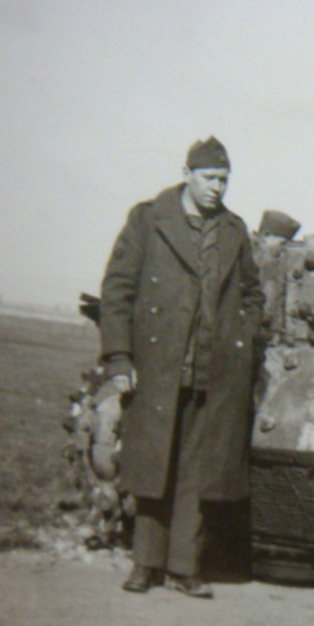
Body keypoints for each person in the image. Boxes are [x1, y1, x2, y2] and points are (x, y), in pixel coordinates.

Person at [98, 136, 265, 599]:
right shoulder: (149, 219)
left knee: (199, 471)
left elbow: (253, 294)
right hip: (159, 366)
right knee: (155, 466)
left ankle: (184, 567)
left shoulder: (233, 230)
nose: (217, 188)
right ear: (188, 173)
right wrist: (119, 358)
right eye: (210, 178)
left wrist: (244, 339)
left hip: (216, 371)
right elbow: (117, 292)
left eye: (224, 180)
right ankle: (145, 563)